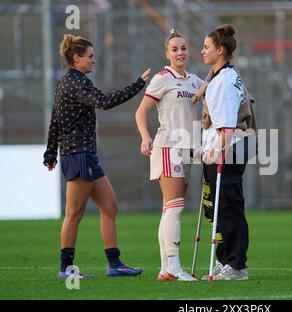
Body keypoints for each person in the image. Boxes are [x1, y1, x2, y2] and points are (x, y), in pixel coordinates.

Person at [43, 34, 151, 278]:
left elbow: (54, 120)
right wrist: (137, 85)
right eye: (90, 56)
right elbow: (104, 102)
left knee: (109, 206)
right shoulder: (76, 83)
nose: (94, 60)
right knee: (74, 213)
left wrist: (50, 153)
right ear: (76, 57)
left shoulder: (70, 81)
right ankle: (67, 269)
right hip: (78, 154)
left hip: (85, 156)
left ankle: (115, 265)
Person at [135, 29, 203, 281]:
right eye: (174, 49)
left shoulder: (195, 81)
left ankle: (166, 268)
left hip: (188, 150)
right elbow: (140, 112)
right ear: (167, 53)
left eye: (183, 48)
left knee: (170, 209)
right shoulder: (162, 78)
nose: (180, 52)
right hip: (168, 147)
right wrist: (145, 137)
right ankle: (173, 266)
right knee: (175, 207)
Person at [199, 25, 250, 281]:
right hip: (221, 148)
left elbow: (228, 126)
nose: (202, 51)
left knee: (229, 207)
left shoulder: (226, 81)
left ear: (220, 50)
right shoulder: (221, 75)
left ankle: (236, 265)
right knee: (219, 207)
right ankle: (226, 259)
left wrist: (216, 153)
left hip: (227, 151)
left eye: (207, 47)